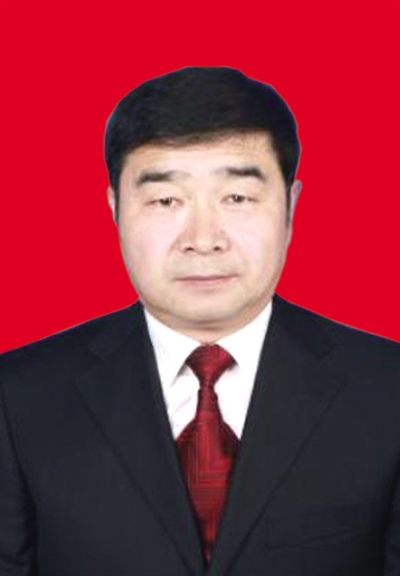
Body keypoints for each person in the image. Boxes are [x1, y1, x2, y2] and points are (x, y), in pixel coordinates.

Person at [0, 67, 399, 576]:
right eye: (166, 201)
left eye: (237, 198)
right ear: (115, 208)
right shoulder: (19, 396)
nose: (203, 239)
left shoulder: (387, 390)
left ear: (290, 206)